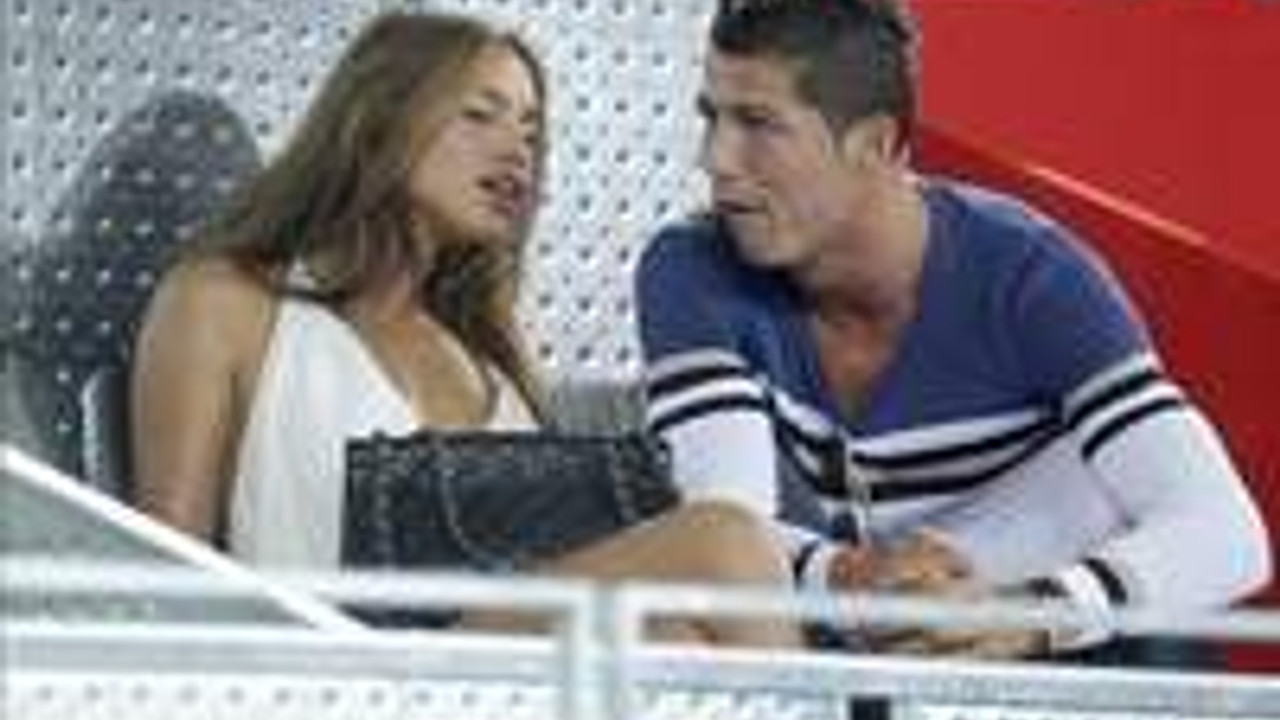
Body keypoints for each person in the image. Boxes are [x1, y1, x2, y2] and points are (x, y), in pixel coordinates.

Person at [131, 11, 799, 648]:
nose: (517, 153)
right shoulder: (225, 303)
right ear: (378, 123)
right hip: (338, 675)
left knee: (681, 635)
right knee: (729, 541)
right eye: (480, 115)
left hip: (495, 679)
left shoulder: (492, 364)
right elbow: (165, 585)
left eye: (531, 133)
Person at [636, 0, 1271, 658]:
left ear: (875, 144)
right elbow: (725, 537)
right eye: (711, 118)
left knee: (1147, 603)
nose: (715, 159)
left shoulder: (1030, 274)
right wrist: (848, 576)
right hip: (865, 643)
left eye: (758, 124)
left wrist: (1026, 616)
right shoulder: (692, 268)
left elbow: (1227, 534)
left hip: (1065, 648)